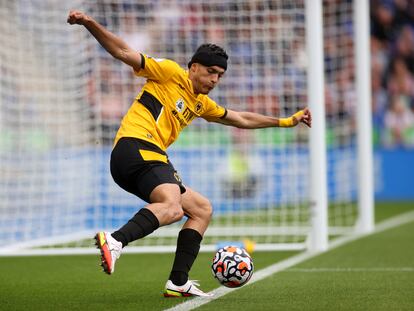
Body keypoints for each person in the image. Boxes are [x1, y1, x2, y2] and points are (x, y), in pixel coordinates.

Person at [67, 10, 312, 297]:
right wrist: (89, 23)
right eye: (211, 72)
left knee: (201, 209)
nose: (215, 80)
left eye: (219, 75)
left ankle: (178, 281)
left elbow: (241, 119)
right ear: (194, 67)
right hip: (135, 146)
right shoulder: (169, 73)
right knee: (171, 208)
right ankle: (115, 240)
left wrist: (285, 121)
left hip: (143, 158)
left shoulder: (201, 103)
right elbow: (123, 51)